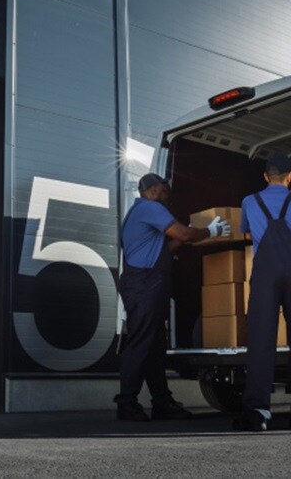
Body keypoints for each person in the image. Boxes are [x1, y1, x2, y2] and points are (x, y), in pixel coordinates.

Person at [115, 173, 231, 421]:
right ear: (152, 189)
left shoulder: (138, 212)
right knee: (140, 343)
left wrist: (193, 233)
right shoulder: (150, 208)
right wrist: (210, 230)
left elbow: (167, 247)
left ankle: (162, 401)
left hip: (143, 284)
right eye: (164, 187)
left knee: (154, 345)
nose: (167, 191)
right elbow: (184, 234)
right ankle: (126, 403)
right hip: (144, 284)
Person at [235, 154, 291, 432]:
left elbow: (247, 234)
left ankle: (257, 414)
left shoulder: (249, 202)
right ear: (290, 176)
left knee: (261, 341)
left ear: (265, 176)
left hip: (265, 274)